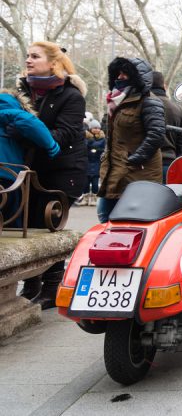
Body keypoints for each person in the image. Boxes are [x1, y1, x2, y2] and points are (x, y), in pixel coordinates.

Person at [16, 42, 88, 308]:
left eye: (35, 56)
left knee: (50, 224)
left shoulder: (71, 96)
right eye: (27, 56)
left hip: (63, 172)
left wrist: (27, 133)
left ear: (53, 63)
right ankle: (32, 284)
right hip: (31, 170)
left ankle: (52, 286)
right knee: (30, 224)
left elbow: (65, 133)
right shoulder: (24, 93)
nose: (29, 60)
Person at [97, 57, 166, 223]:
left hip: (138, 173)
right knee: (105, 217)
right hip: (115, 171)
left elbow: (156, 134)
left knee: (132, 223)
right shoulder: (116, 102)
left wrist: (134, 159)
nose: (120, 77)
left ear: (137, 77)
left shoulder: (148, 101)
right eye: (118, 73)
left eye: (125, 74)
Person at [0, 90, 60, 223]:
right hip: (8, 175)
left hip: (7, 174)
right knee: (11, 218)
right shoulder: (9, 111)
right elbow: (30, 122)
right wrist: (51, 145)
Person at [151, 71, 182, 181]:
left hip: (146, 167)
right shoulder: (177, 109)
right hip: (169, 165)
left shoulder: (142, 105)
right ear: (164, 86)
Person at [80, 119, 105, 206]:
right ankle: (85, 198)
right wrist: (92, 147)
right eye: (95, 128)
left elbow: (102, 149)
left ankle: (94, 198)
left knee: (95, 183)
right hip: (87, 163)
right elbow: (84, 147)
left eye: (98, 128)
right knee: (85, 183)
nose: (97, 129)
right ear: (90, 128)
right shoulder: (86, 137)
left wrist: (93, 148)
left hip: (97, 163)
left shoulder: (102, 138)